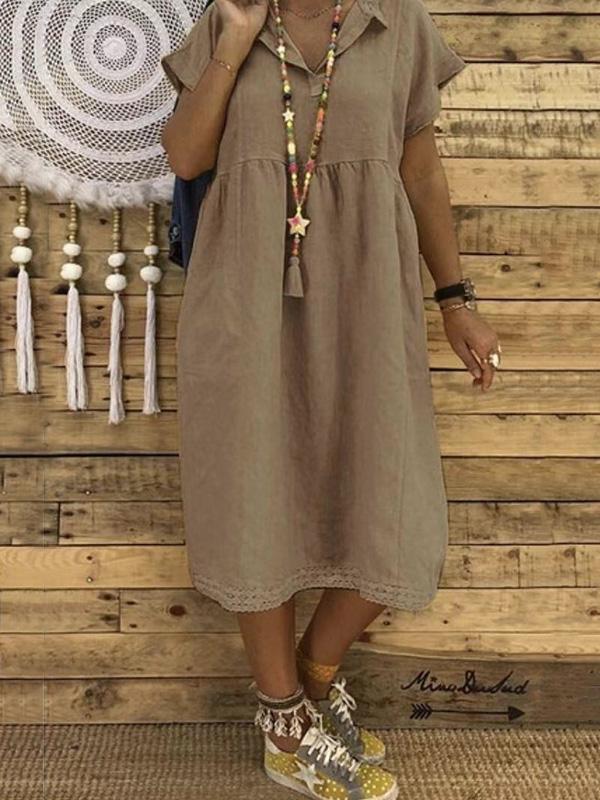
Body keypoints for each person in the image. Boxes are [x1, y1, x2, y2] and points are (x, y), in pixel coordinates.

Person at [160, 0, 501, 797]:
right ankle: (282, 720)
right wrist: (235, 40)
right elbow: (185, 155)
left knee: (396, 506)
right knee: (256, 495)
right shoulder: (228, 19)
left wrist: (455, 298)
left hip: (368, 297)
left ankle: (313, 674)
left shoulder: (397, 23)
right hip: (245, 300)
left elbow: (421, 169)